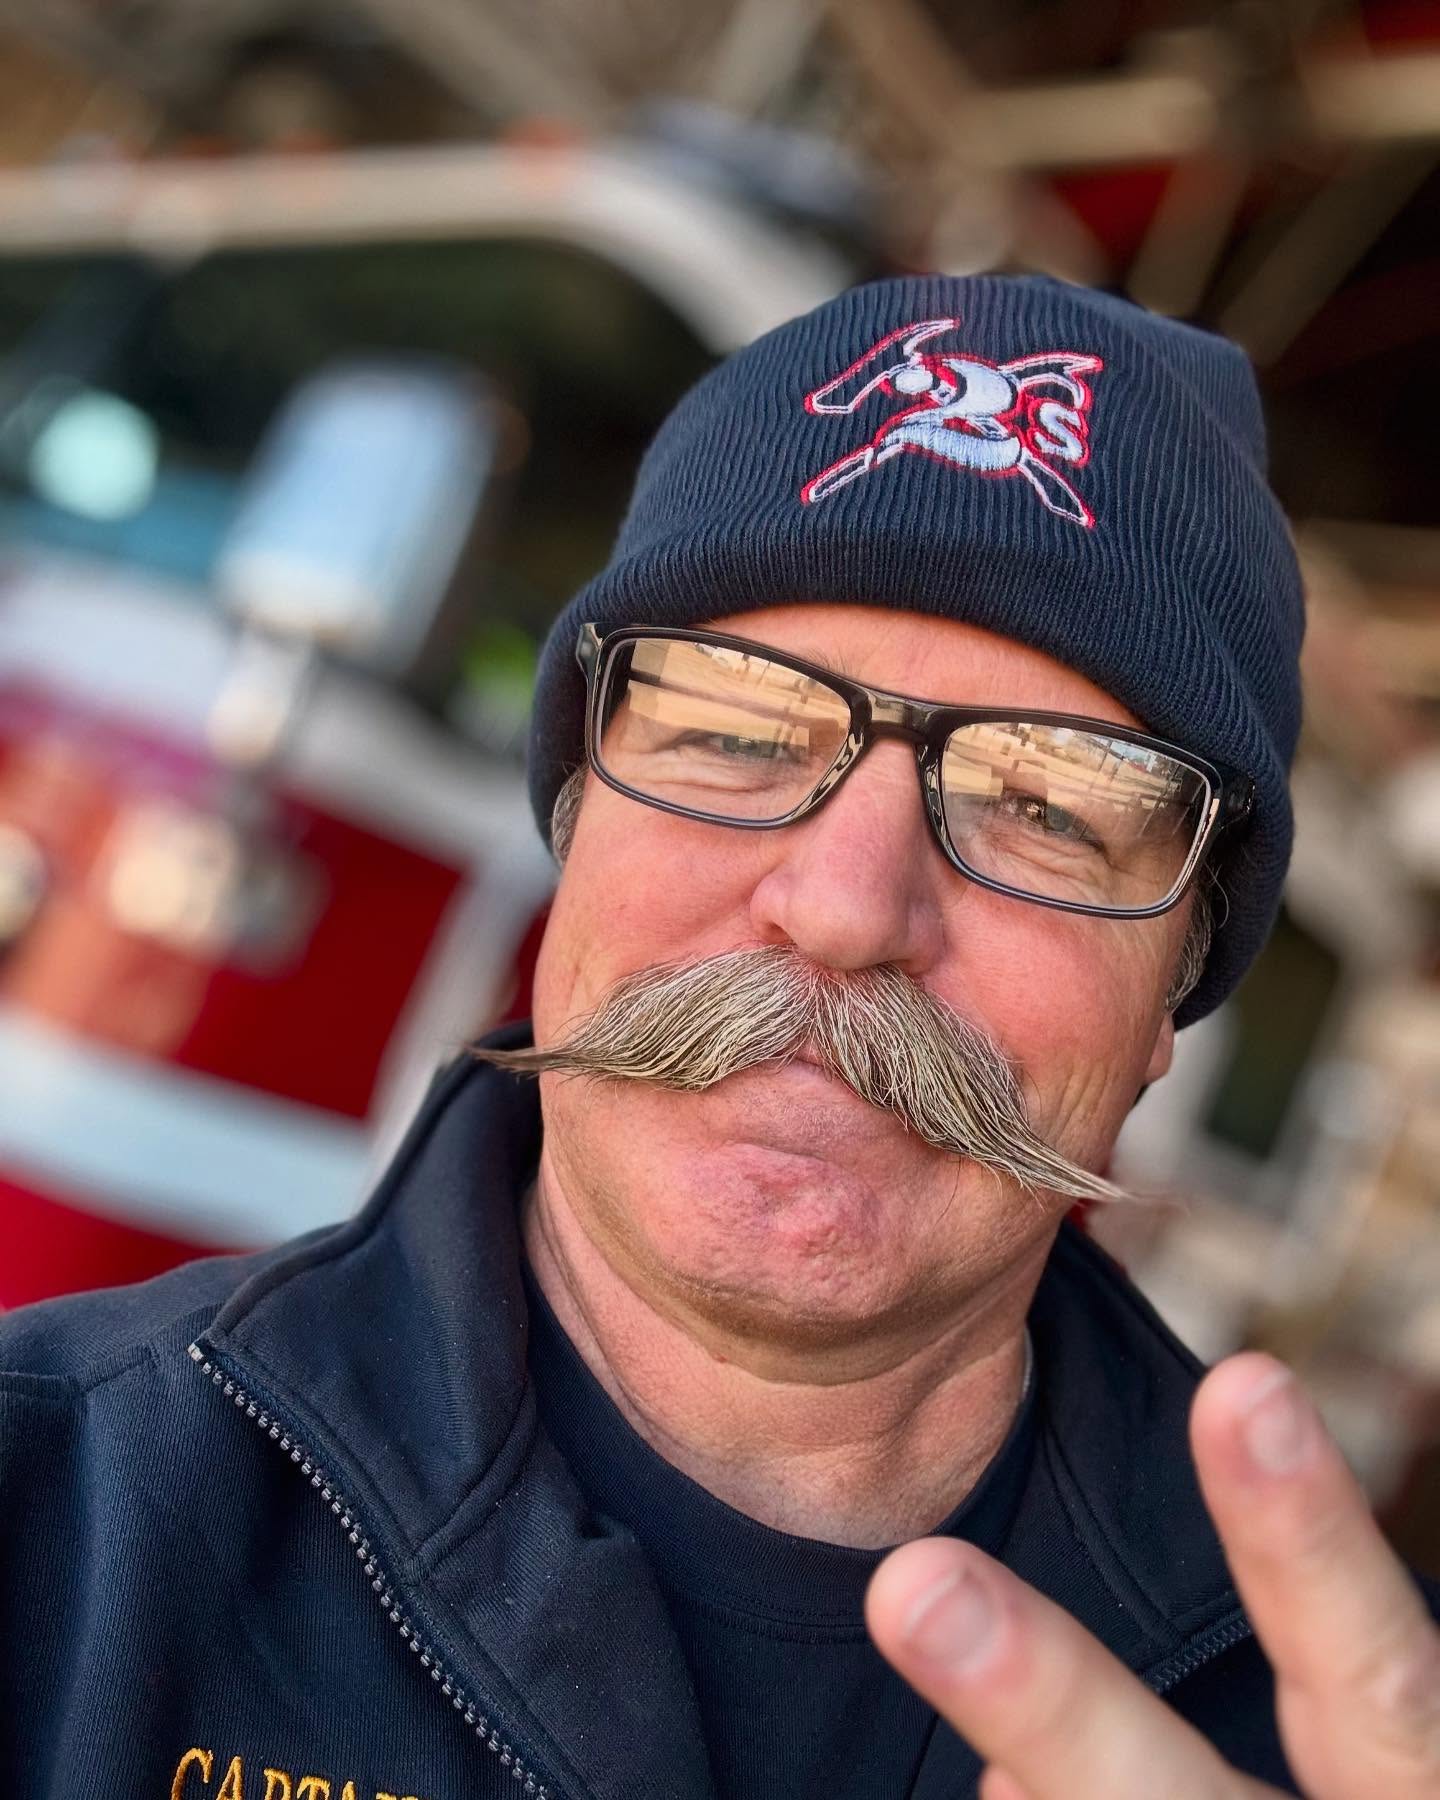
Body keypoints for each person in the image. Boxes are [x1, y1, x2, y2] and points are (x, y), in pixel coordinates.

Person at [2, 276, 1435, 1800]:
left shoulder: (1334, 1742)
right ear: (576, 829)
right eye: (740, 734)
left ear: (1170, 1007)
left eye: (1048, 807)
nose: (843, 905)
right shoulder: (43, 1520)